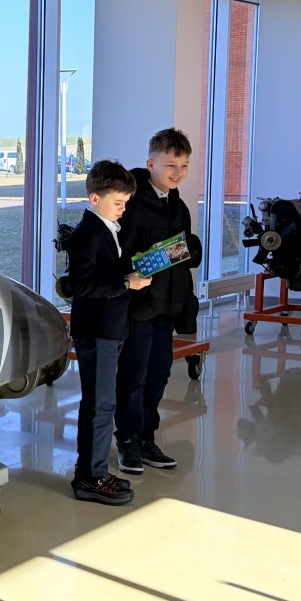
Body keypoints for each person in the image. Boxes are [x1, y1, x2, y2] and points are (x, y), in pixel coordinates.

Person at [116, 128, 203, 476]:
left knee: (158, 375)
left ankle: (147, 438)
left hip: (167, 309)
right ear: (151, 164)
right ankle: (128, 441)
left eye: (184, 166)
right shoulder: (131, 203)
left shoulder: (178, 206)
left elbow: (181, 256)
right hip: (138, 309)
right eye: (171, 165)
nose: (178, 173)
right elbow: (123, 256)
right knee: (133, 377)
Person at [63, 159, 150, 505]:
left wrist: (132, 267)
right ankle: (91, 477)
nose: (123, 209)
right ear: (95, 198)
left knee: (101, 403)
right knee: (100, 405)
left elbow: (106, 272)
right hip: (97, 331)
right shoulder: (86, 235)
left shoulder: (106, 228)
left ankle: (91, 470)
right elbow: (80, 286)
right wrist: (126, 282)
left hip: (110, 328)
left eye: (126, 203)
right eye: (118, 202)